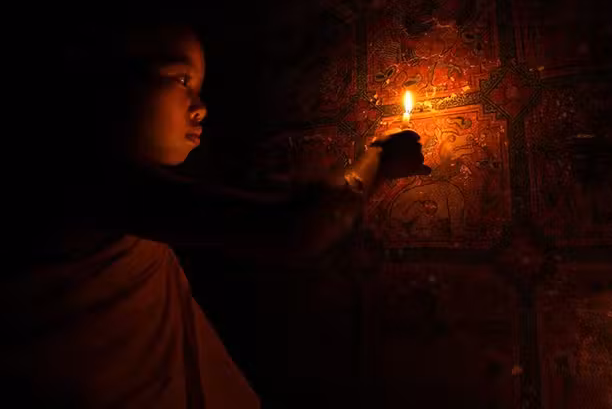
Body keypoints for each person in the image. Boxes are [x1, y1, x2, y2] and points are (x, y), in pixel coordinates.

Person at [1, 21, 431, 408]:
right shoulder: (89, 182)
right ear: (104, 83)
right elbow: (295, 230)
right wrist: (377, 160)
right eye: (181, 79)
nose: (200, 106)